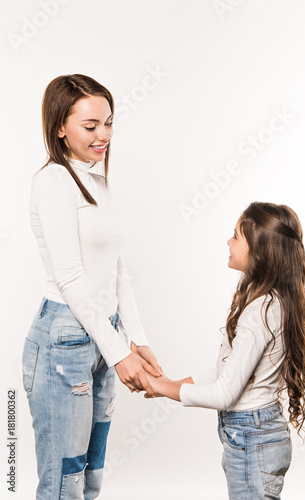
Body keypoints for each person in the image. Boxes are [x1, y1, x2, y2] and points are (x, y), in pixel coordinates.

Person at [21, 74, 163, 500]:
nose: (103, 135)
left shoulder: (96, 181)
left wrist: (135, 339)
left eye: (109, 123)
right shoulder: (53, 182)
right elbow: (70, 276)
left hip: (104, 330)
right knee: (63, 483)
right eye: (91, 126)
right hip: (64, 338)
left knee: (90, 476)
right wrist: (118, 351)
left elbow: (117, 268)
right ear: (59, 127)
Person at [144, 202, 305, 499]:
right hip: (260, 433)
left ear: (259, 251)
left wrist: (160, 386)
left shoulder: (259, 313)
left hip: (251, 439)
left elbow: (225, 393)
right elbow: (232, 370)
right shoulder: (276, 302)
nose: (228, 241)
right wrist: (167, 385)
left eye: (236, 236)